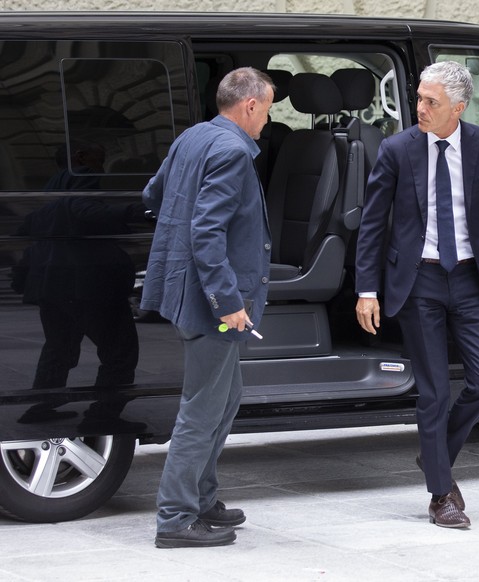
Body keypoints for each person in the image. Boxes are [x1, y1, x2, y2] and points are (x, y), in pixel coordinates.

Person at [355, 61, 479, 529]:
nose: (421, 108)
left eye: (431, 102)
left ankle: (435, 457)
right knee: (432, 392)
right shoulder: (397, 149)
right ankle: (440, 495)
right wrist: (366, 289)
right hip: (419, 283)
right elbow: (372, 226)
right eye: (419, 98)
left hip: (471, 280)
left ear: (459, 107)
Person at [140, 67, 274, 548]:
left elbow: (153, 196)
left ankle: (201, 499)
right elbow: (207, 231)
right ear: (250, 105)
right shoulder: (234, 151)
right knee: (201, 411)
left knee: (225, 400)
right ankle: (176, 520)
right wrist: (227, 302)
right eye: (268, 109)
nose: (267, 121)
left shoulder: (194, 137)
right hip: (211, 305)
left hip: (185, 293)